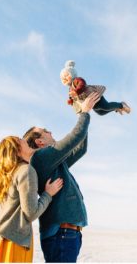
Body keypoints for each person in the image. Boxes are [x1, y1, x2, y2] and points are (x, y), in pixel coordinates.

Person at [23, 92, 100, 263]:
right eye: (44, 131)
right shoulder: (41, 157)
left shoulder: (54, 162)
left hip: (67, 234)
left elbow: (79, 148)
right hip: (61, 234)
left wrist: (81, 111)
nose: (50, 131)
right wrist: (84, 112)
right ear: (39, 142)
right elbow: (74, 138)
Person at [0, 136, 63, 263]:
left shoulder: (8, 174)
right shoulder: (26, 170)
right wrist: (48, 194)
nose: (25, 140)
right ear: (18, 150)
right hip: (13, 244)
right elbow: (31, 213)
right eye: (20, 140)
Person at [60, 60, 131, 115]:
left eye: (66, 76)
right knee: (101, 113)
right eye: (63, 78)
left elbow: (82, 84)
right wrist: (70, 100)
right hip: (91, 102)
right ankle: (116, 108)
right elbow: (72, 97)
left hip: (94, 95)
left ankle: (121, 105)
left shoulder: (77, 80)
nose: (65, 78)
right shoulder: (70, 88)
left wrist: (76, 91)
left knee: (105, 106)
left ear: (72, 74)